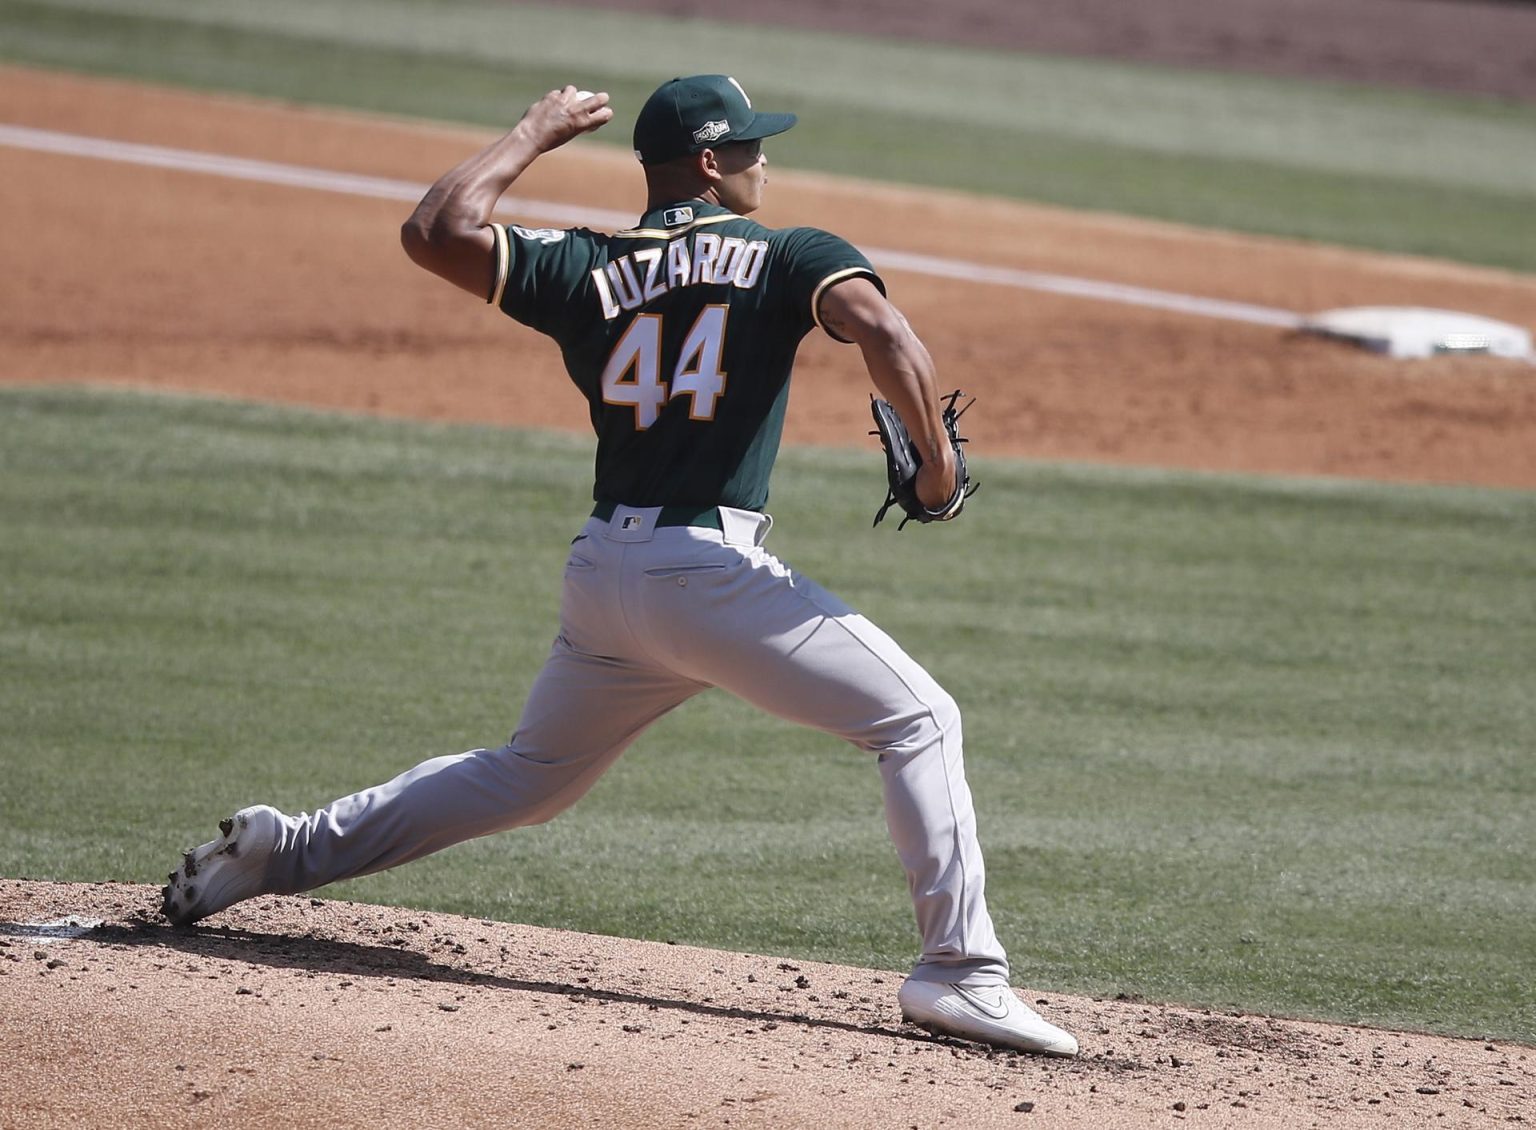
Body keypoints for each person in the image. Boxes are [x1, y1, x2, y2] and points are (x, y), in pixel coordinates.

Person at [160, 74, 1078, 1058]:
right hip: (705, 573)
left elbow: (435, 229)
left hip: (606, 575)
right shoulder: (787, 251)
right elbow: (887, 333)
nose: (767, 160)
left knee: (528, 775)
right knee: (920, 716)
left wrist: (535, 130)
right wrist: (935, 471)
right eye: (753, 147)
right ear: (712, 164)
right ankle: (960, 972)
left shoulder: (585, 265)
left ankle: (283, 848)